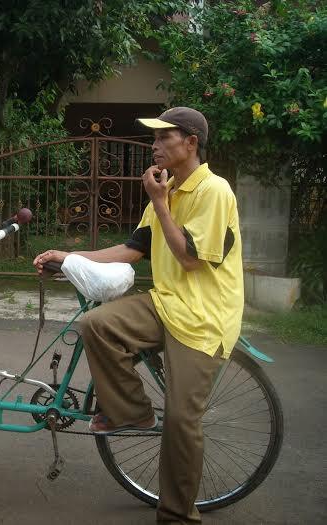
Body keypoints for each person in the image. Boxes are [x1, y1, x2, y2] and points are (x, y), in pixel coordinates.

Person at [33, 107, 244, 524]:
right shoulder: (169, 189)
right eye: (154, 138)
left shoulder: (212, 191)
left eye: (164, 138)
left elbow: (187, 259)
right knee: (97, 323)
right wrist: (68, 256)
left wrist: (161, 202)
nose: (155, 146)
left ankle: (177, 516)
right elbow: (133, 249)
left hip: (204, 317)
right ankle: (132, 412)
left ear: (191, 143)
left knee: (182, 423)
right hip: (167, 302)